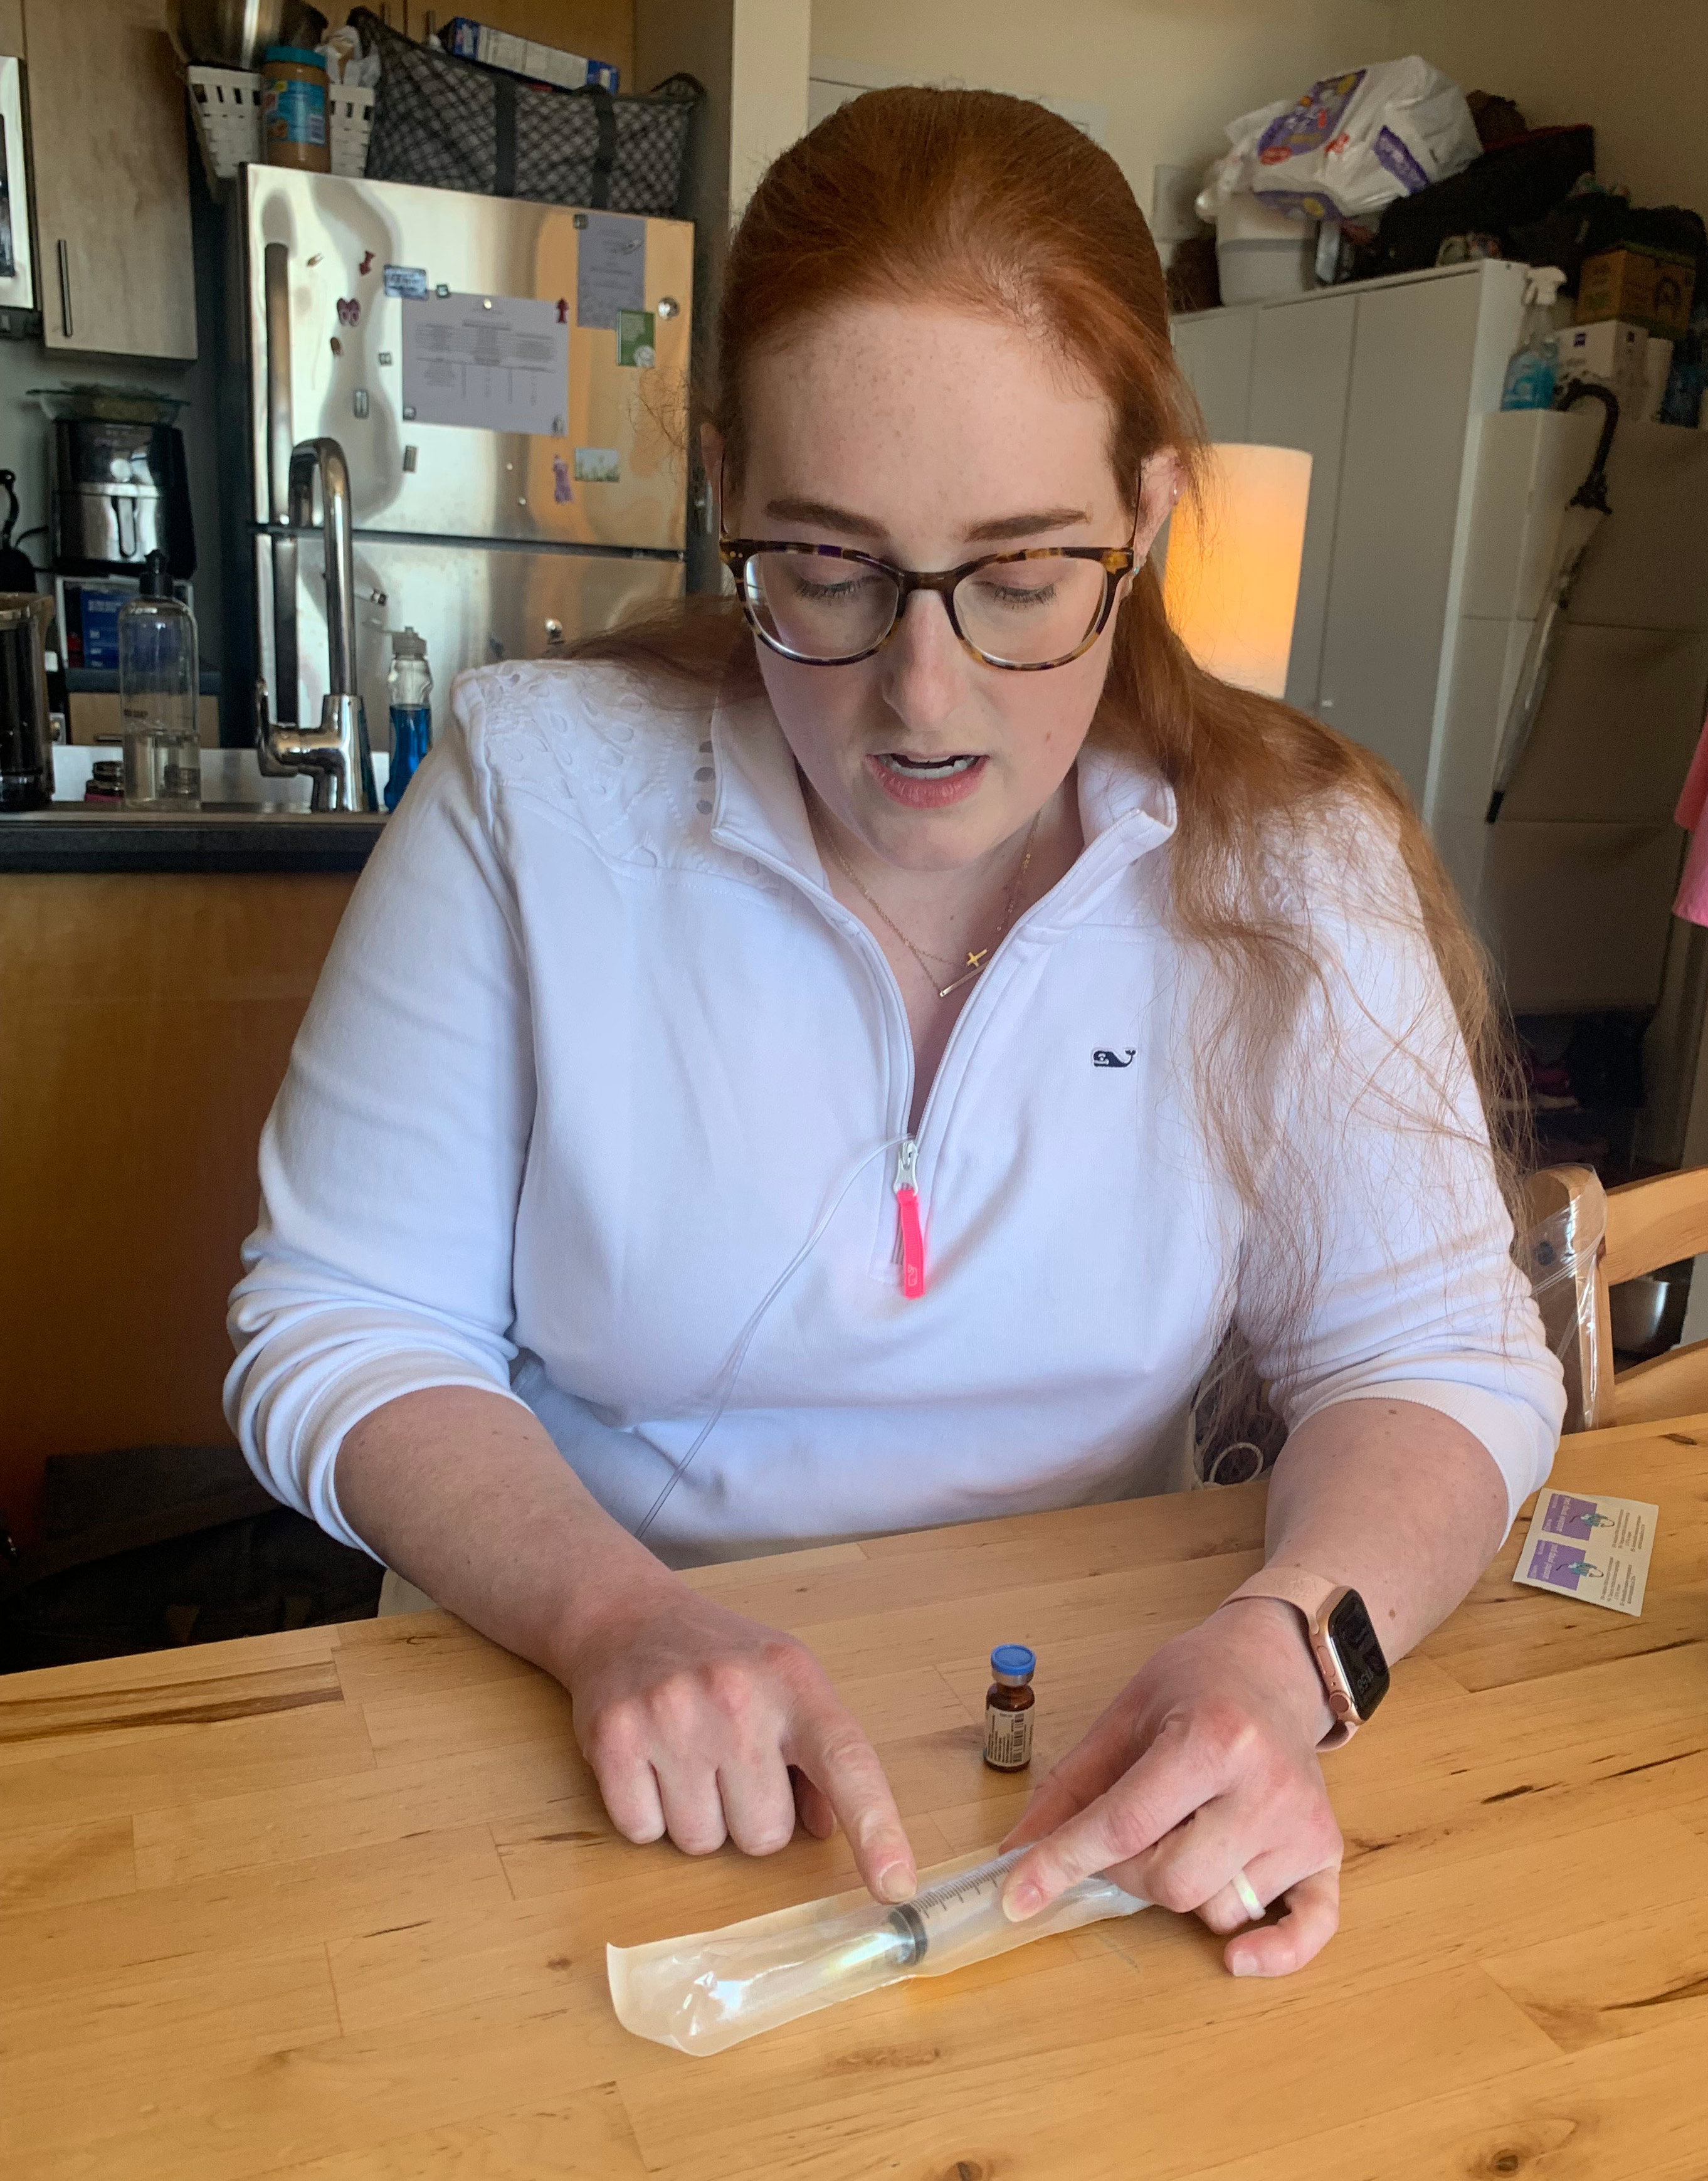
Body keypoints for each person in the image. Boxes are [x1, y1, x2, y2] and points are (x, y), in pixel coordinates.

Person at [228, 87, 1564, 1979]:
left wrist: (1290, 1648)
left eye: (1022, 576)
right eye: (828, 572)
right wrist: (615, 1618)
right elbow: (342, 1322)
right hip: (552, 1723)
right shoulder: (536, 793)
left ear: (1149, 517)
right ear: (727, 500)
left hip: (1070, 1764)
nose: (920, 701)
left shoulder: (1299, 863)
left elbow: (1439, 1356)